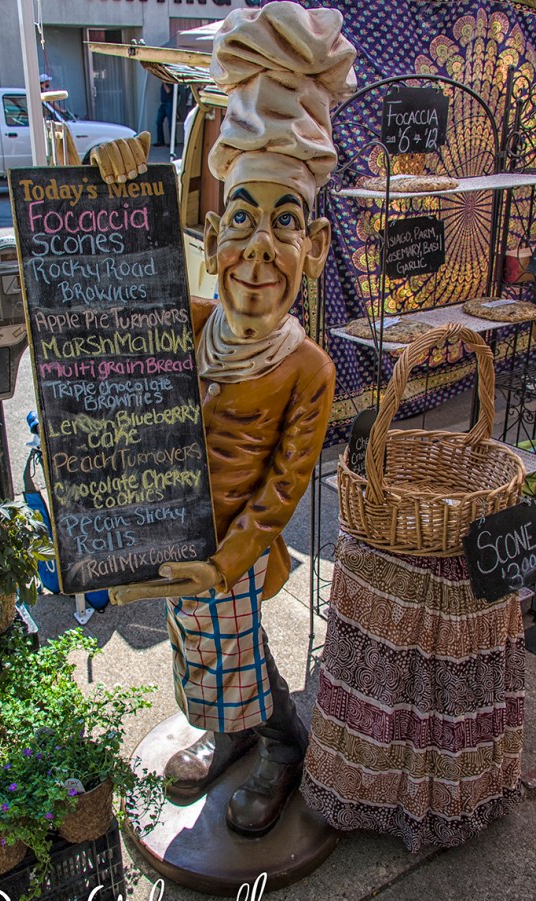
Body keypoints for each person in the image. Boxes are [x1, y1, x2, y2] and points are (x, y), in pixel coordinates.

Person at [91, 2, 356, 838]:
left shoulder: (308, 367)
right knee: (202, 658)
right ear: (211, 232)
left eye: (285, 223)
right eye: (241, 217)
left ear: (312, 248)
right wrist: (112, 189)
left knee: (233, 651)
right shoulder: (186, 317)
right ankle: (233, 734)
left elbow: (281, 492)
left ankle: (280, 748)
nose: (258, 249)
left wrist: (224, 559)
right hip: (172, 529)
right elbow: (107, 294)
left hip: (235, 549)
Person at [156, 81, 173, 147]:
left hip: (169, 103)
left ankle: (172, 141)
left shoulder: (170, 82)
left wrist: (164, 83)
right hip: (163, 104)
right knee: (158, 121)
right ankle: (160, 140)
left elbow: (168, 91)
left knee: (171, 124)